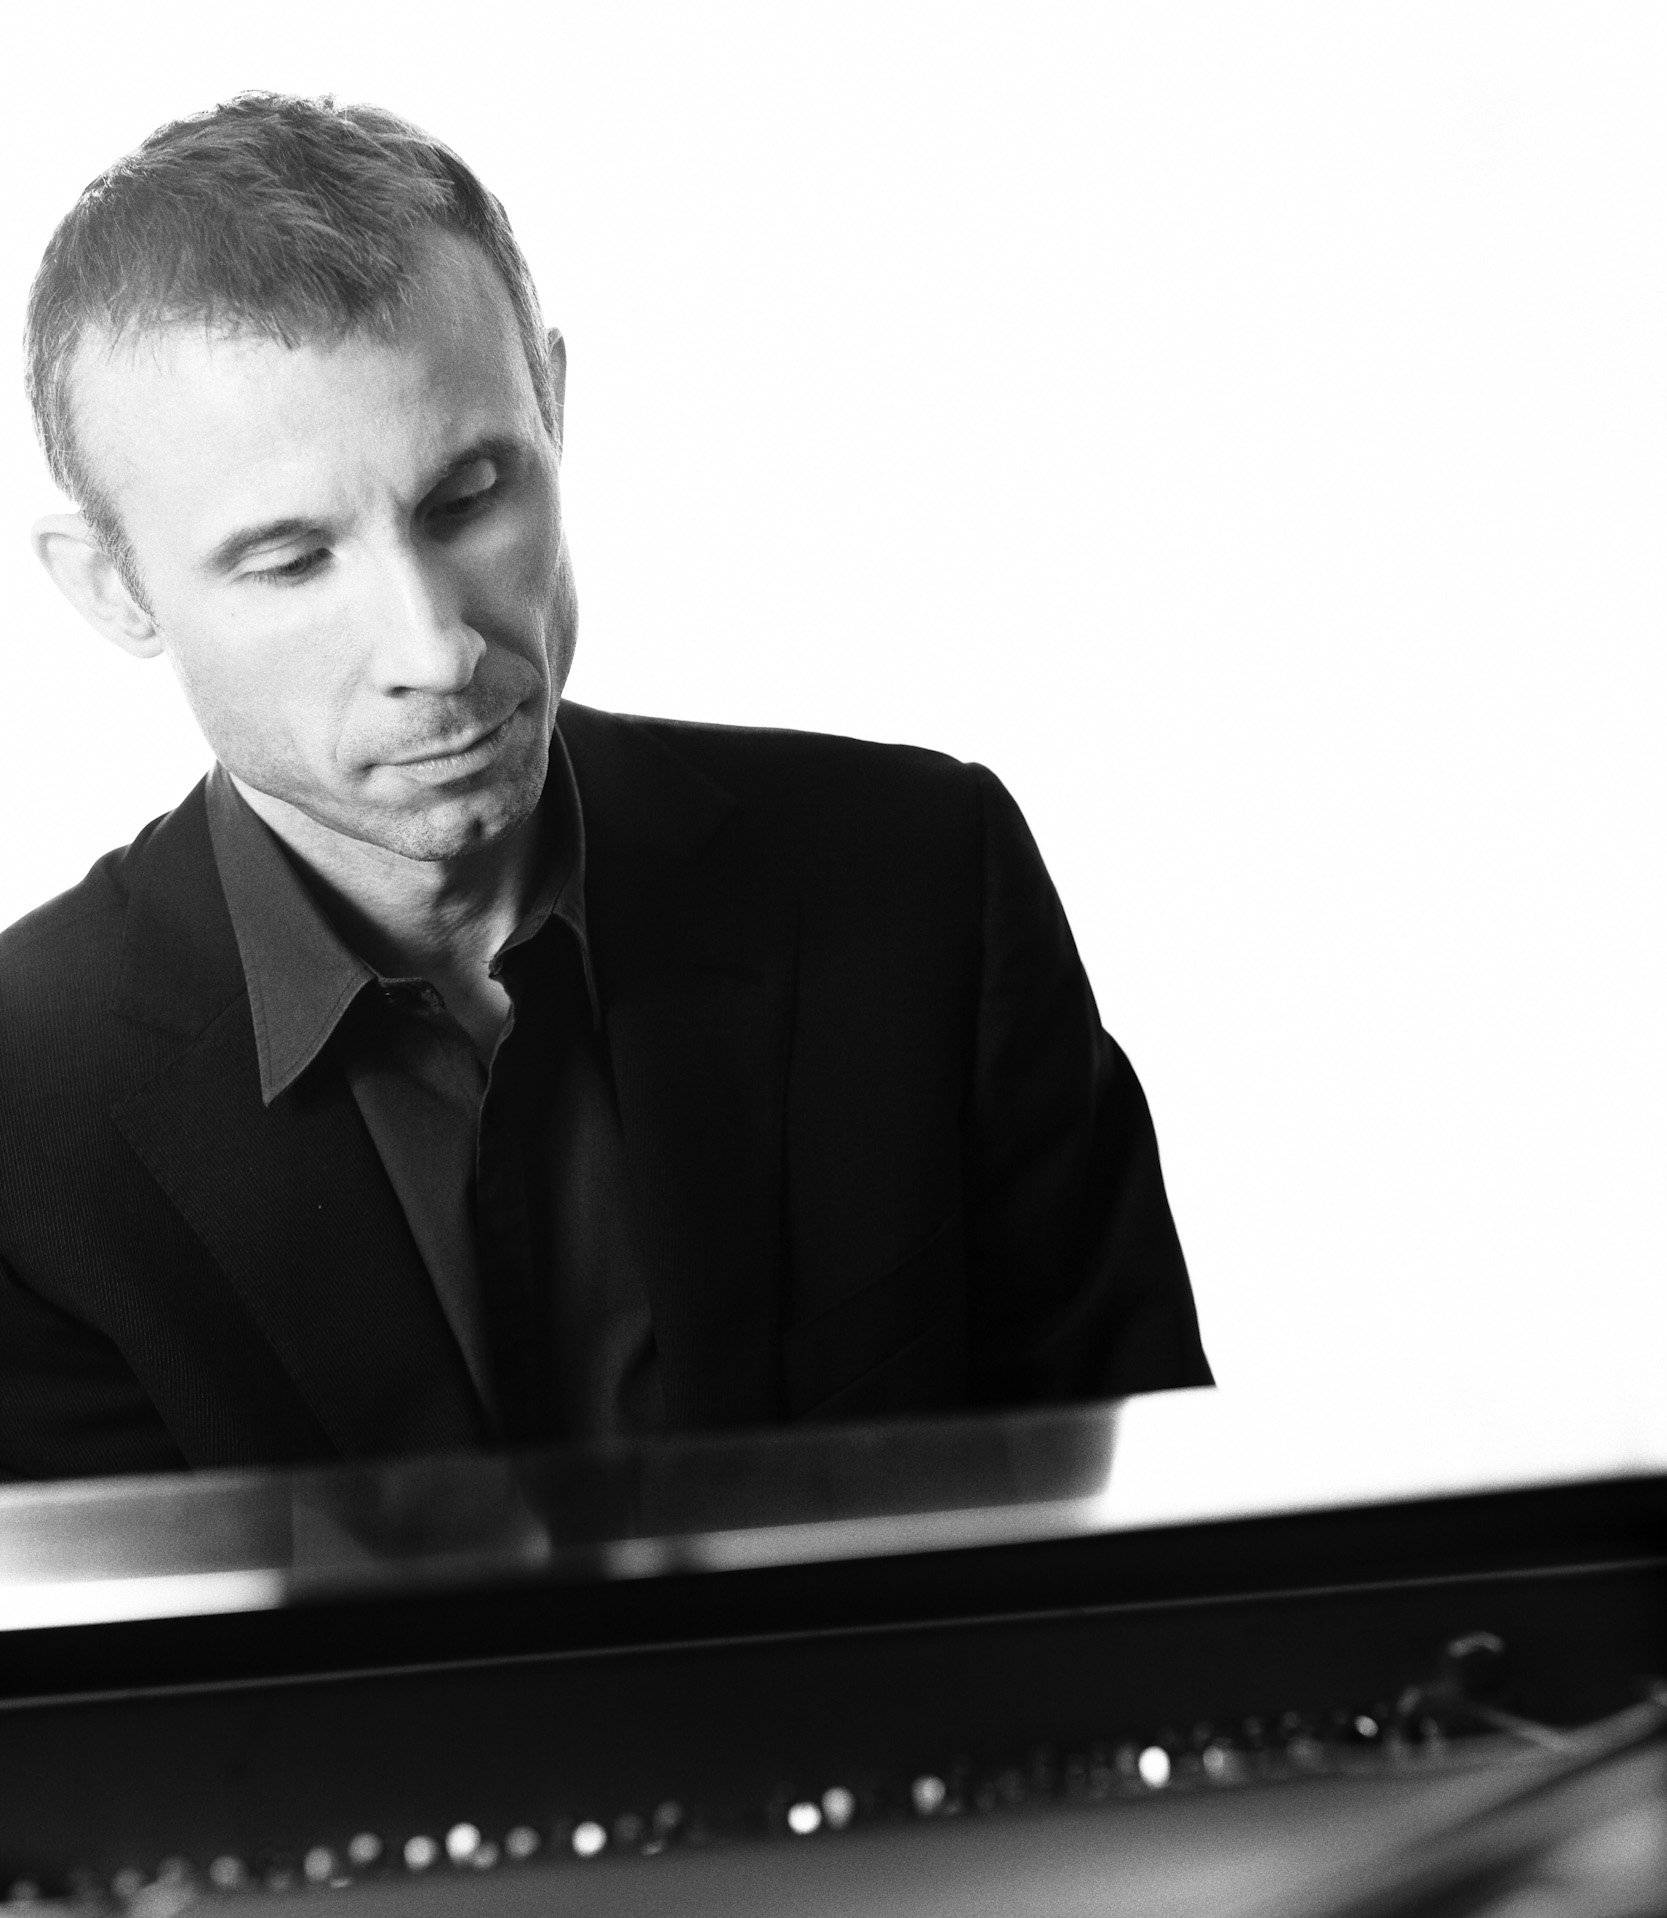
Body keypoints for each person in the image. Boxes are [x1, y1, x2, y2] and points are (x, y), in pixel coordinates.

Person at [0, 93, 1209, 1482]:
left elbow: (1161, 1548)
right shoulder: (22, 1124)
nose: (436, 649)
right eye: (290, 562)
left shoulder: (927, 883)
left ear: (554, 411)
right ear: (112, 588)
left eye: (468, 495)